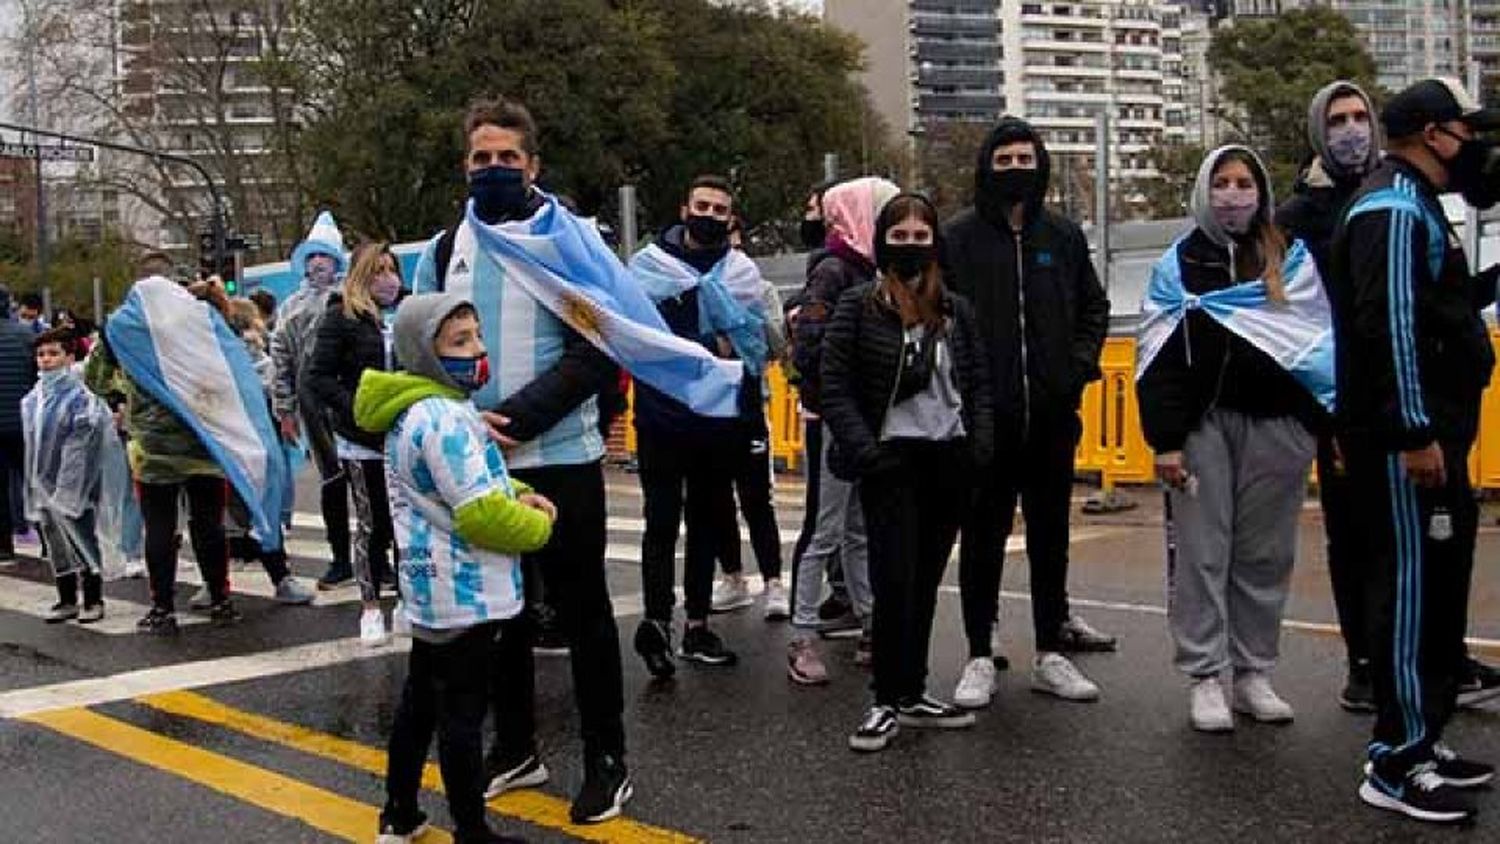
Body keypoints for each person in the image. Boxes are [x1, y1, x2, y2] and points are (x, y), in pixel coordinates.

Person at [411, 95, 630, 825]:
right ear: (464, 166)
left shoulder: (573, 243)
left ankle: (606, 761)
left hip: (561, 454)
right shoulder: (445, 250)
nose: (495, 169)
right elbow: (418, 345)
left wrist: (525, 415)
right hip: (479, 468)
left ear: (534, 165)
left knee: (582, 611)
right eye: (482, 158)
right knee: (495, 613)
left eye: (509, 158)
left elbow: (600, 347)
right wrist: (455, 422)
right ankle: (518, 748)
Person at [1332, 78, 1499, 824]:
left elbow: (1440, 308)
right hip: (1407, 442)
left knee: (1434, 593)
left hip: (1433, 432)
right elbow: (1389, 325)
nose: (1474, 145)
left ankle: (1423, 737)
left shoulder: (1418, 205)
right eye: (1464, 131)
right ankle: (1395, 760)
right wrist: (1414, 431)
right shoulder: (1393, 207)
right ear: (1432, 134)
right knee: (1404, 595)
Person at [1137, 146, 1327, 732]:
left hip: (1277, 427)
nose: (1233, 194)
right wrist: (1166, 441)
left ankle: (1253, 673)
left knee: (1265, 553)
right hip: (1204, 428)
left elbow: (1316, 344)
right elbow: (1158, 359)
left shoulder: (1289, 257)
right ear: (1203, 189)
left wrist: (1313, 426)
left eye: (1245, 182)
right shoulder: (1178, 265)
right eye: (1221, 182)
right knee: (1202, 551)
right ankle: (1204, 675)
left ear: (1262, 190)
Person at [355, 292, 555, 844]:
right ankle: (472, 830)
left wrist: (520, 491)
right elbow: (482, 513)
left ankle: (399, 812)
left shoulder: (414, 413)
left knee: (419, 703)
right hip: (469, 590)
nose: (478, 351)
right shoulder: (444, 418)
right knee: (462, 717)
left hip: (428, 590)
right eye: (460, 342)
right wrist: (539, 526)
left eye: (477, 337)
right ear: (426, 354)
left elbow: (454, 486)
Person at [944, 117, 1112, 709]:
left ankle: (1050, 650)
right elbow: (941, 321)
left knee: (1050, 534)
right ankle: (978, 652)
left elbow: (1095, 307)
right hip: (983, 420)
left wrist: (1077, 368)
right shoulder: (958, 238)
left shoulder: (1061, 237)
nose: (1016, 170)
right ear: (987, 168)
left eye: (1025, 160)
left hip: (1050, 416)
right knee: (984, 535)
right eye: (1004, 161)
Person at [821, 192, 994, 751]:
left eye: (922, 237)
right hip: (891, 459)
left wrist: (979, 448)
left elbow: (979, 384)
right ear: (881, 242)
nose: (911, 245)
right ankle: (883, 699)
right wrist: (867, 451)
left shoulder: (956, 310)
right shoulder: (858, 305)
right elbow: (834, 385)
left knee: (923, 584)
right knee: (893, 583)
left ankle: (913, 690)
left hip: (949, 459)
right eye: (900, 236)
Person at [630, 174, 771, 670]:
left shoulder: (742, 274)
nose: (709, 215)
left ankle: (698, 627)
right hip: (659, 415)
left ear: (730, 219)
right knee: (660, 522)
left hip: (718, 418)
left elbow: (753, 342)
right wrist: (711, 347)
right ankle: (656, 623)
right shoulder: (647, 268)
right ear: (683, 207)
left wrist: (698, 347)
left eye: (719, 209)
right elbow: (640, 335)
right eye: (702, 205)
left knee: (708, 521)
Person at [86, 254, 266, 633]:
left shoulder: (121, 326)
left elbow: (97, 379)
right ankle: (221, 601)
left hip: (153, 449)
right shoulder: (200, 318)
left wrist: (126, 397)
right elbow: (231, 366)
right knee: (209, 524)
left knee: (160, 526)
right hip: (204, 439)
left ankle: (162, 610)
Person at [1275, 80, 1382, 713]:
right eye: (1338, 119)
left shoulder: (1394, 191)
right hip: (1337, 399)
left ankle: (1432, 653)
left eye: (1359, 116)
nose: (1351, 129)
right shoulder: (1298, 216)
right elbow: (1287, 318)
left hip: (1401, 391)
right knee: (1353, 531)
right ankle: (1362, 660)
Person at [783, 176, 896, 684]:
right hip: (832, 419)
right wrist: (839, 395)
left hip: (860, 419)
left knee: (857, 528)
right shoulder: (835, 270)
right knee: (827, 528)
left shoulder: (871, 269)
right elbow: (809, 344)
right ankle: (802, 636)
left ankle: (872, 624)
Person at [308, 242, 405, 645]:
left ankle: (407, 600)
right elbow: (319, 376)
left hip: (403, 434)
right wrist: (355, 410)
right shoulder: (341, 318)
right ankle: (370, 607)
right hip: (360, 439)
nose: (387, 279)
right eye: (378, 271)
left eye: (391, 270)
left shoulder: (408, 314)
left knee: (406, 524)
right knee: (374, 523)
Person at [710, 216, 792, 621]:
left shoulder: (762, 289)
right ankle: (733, 576)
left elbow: (776, 347)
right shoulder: (694, 286)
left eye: (734, 237)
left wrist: (748, 319)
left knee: (757, 497)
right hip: (708, 406)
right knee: (716, 498)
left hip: (749, 402)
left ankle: (774, 582)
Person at [271, 210, 353, 589]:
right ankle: (340, 558)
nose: (318, 263)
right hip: (314, 403)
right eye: (312, 257)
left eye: (325, 256)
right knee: (332, 479)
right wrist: (285, 409)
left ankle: (376, 558)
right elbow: (281, 359)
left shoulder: (352, 299)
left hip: (354, 397)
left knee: (369, 479)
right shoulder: (292, 307)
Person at [24, 328, 122, 623]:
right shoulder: (33, 399)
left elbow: (82, 447)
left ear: (69, 356)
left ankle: (93, 598)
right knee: (55, 540)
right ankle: (66, 598)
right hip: (43, 482)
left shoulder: (82, 400)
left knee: (82, 538)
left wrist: (69, 489)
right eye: (41, 355)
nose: (46, 360)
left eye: (53, 354)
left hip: (77, 486)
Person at [0, 285, 37, 564]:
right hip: (24, 423)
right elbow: (40, 378)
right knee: (35, 482)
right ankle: (51, 541)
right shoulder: (26, 335)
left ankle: (4, 547)